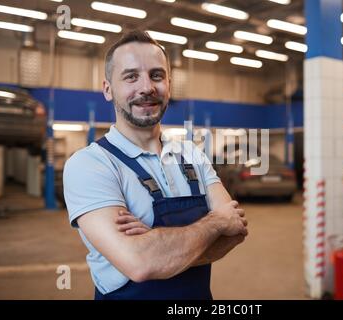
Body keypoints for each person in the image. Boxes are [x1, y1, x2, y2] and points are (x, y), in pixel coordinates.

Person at [63, 30, 248, 300]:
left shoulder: (192, 155)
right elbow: (139, 264)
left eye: (156, 75)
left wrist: (155, 244)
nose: (147, 87)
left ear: (169, 85)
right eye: (131, 76)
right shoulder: (90, 164)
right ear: (107, 89)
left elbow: (235, 233)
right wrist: (215, 223)